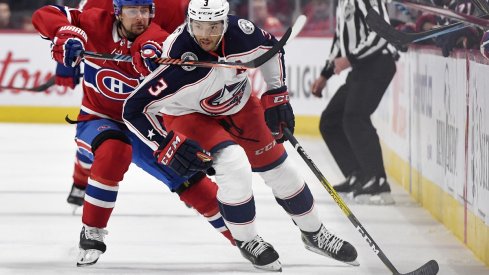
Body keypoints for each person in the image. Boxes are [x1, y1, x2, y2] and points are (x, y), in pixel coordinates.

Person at [122, 0, 358, 271]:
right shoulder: (177, 60)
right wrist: (165, 144)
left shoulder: (242, 33)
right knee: (234, 166)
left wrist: (276, 95)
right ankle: (248, 241)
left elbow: (272, 50)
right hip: (189, 115)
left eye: (213, 27)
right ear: (189, 23)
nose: (205, 35)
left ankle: (315, 233)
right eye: (198, 27)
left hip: (238, 104)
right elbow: (133, 108)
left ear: (224, 23)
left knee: (284, 172)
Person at [32, 0, 234, 267]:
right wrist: (64, 35)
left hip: (144, 122)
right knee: (111, 150)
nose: (140, 17)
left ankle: (243, 237)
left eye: (144, 11)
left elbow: (188, 33)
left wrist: (158, 57)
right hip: (99, 117)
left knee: (189, 177)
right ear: (117, 11)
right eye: (132, 11)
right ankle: (91, 229)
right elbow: (46, 15)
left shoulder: (166, 19)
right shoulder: (96, 17)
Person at [310, 0, 398, 205]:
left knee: (355, 117)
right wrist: (324, 76)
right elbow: (340, 39)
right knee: (330, 121)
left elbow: (382, 31)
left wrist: (350, 58)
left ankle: (378, 180)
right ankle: (357, 174)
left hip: (378, 64)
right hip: (362, 68)